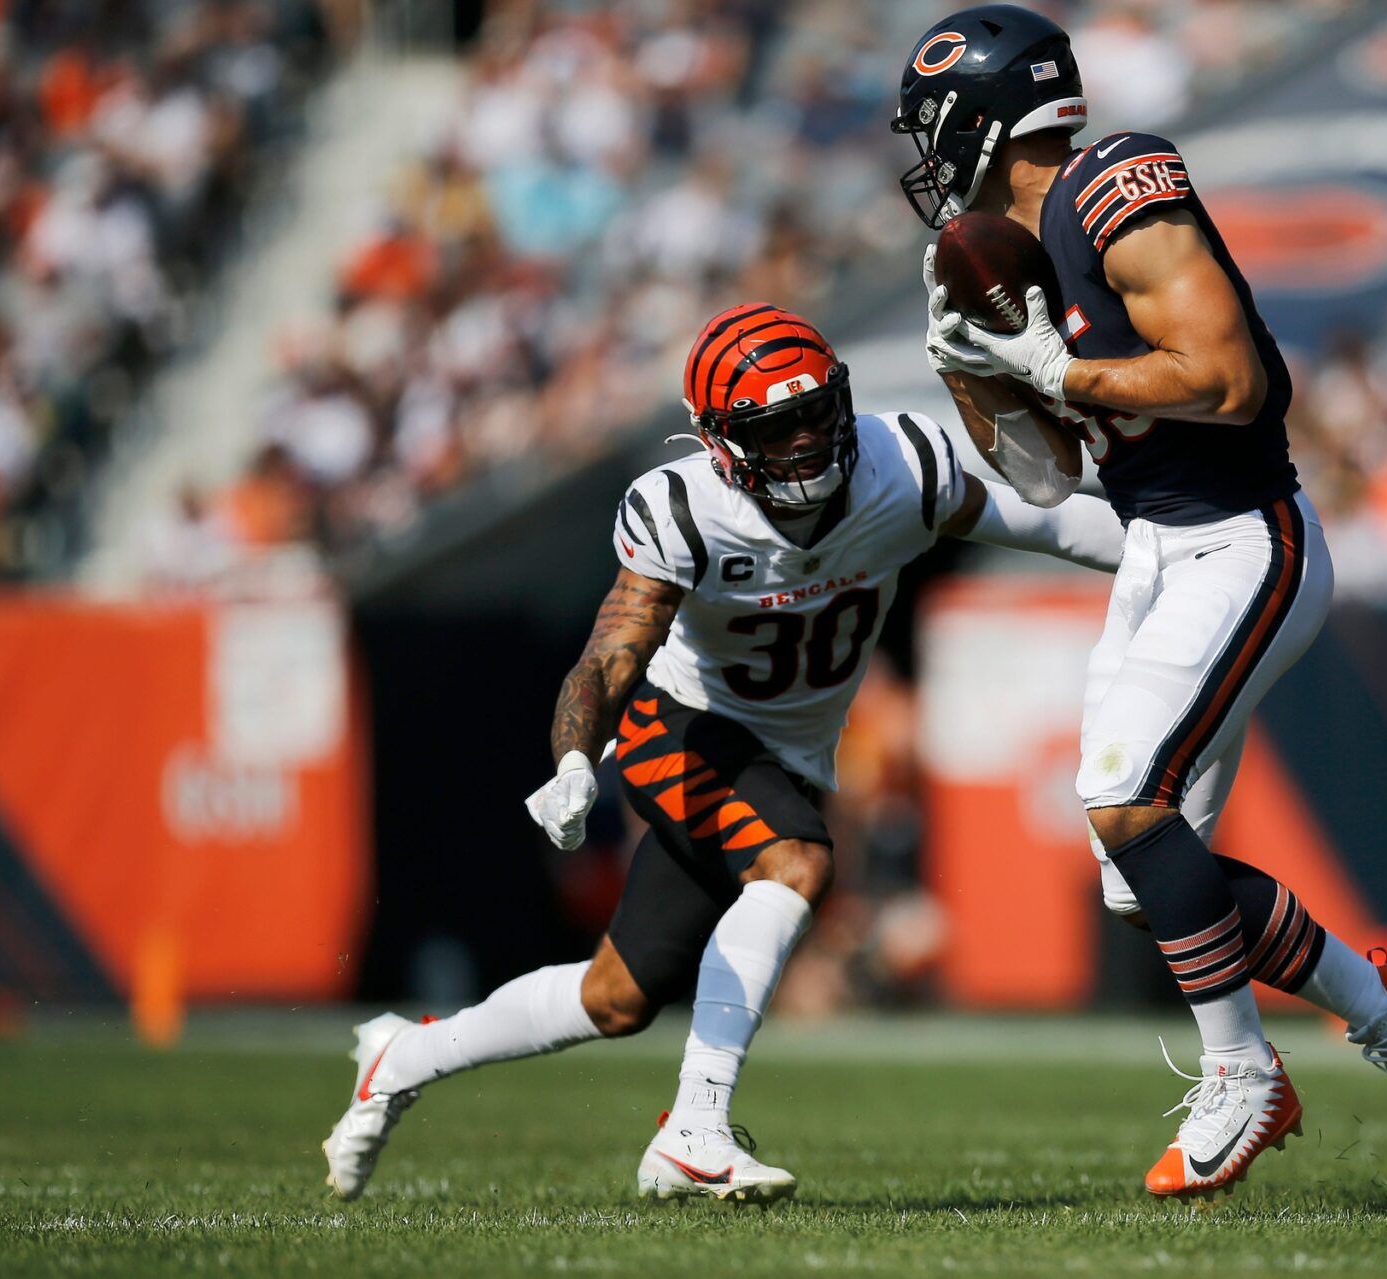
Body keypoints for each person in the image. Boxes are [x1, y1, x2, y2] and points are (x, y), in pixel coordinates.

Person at [322, 304, 1124, 1202]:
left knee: (618, 996)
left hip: (790, 756)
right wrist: (576, 758)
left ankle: (401, 1054)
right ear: (717, 440)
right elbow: (613, 652)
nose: (808, 441)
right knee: (795, 861)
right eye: (774, 427)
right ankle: (695, 1128)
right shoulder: (683, 507)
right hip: (686, 725)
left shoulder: (905, 462)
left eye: (818, 412)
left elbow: (1044, 524)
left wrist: (1176, 555)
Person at [892, 5, 1387, 1200]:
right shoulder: (1018, 244)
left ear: (982, 119)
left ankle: (1244, 1073)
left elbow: (1231, 378)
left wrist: (1054, 364)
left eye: (934, 128)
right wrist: (971, 368)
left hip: (1246, 539)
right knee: (1143, 876)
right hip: (1162, 544)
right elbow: (1047, 469)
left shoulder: (1115, 186)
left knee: (1120, 796)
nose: (927, 157)